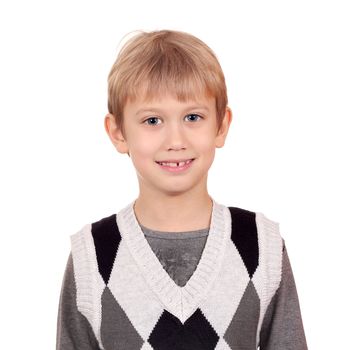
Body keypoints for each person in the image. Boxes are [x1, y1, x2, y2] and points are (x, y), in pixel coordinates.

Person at [56, 29, 308, 350]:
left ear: (221, 125)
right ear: (118, 132)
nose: (175, 141)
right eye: (152, 121)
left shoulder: (262, 247)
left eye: (193, 117)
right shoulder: (91, 255)